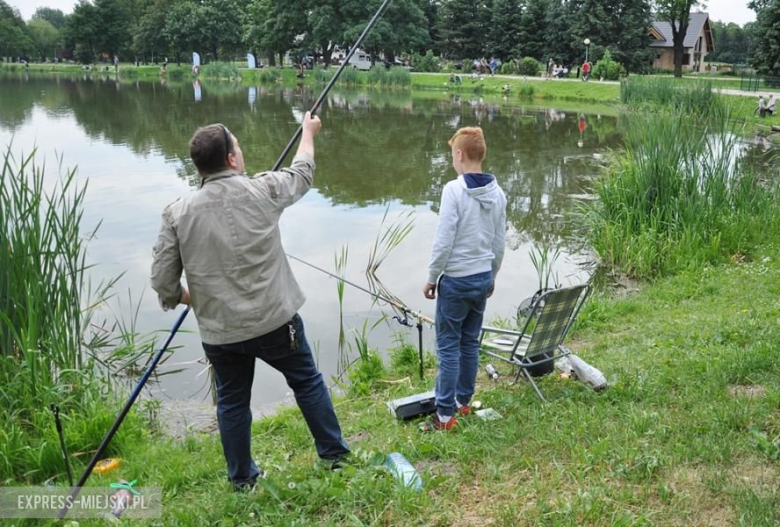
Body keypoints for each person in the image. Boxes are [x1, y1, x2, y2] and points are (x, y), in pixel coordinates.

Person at [150, 114, 350, 489]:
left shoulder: (177, 213)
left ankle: (242, 480)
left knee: (232, 402)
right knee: (306, 382)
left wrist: (185, 296)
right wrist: (308, 133)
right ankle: (335, 457)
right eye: (238, 147)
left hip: (220, 331)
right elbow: (303, 171)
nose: (241, 152)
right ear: (230, 159)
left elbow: (162, 281)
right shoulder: (264, 189)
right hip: (276, 321)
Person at [421, 127, 507, 432]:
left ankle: (444, 416)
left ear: (459, 154)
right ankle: (463, 402)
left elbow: (443, 241)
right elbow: (499, 244)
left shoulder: (454, 190)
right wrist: (492, 276)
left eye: (452, 156)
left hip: (456, 281)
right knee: (470, 343)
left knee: (447, 346)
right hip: (482, 277)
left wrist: (432, 277)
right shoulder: (498, 194)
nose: (452, 162)